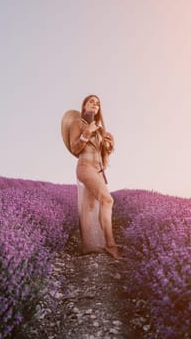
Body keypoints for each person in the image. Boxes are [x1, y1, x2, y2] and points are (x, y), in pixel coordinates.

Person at [68, 94, 121, 259]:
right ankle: (111, 246)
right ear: (84, 106)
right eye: (91, 102)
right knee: (108, 200)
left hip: (97, 170)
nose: (95, 105)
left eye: (97, 104)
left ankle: (87, 246)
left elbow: (101, 154)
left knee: (89, 207)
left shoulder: (99, 130)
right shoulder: (77, 123)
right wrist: (86, 133)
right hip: (85, 167)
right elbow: (75, 148)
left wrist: (109, 146)